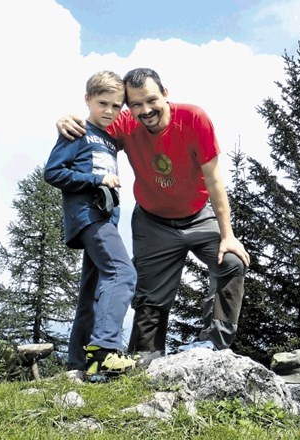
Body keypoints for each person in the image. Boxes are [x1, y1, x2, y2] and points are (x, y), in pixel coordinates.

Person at [56, 68, 250, 364]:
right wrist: (67, 120)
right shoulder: (125, 123)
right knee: (149, 297)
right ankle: (146, 358)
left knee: (232, 262)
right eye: (134, 104)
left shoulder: (195, 118)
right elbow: (93, 126)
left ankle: (213, 345)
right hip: (153, 221)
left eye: (151, 100)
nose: (145, 110)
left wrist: (228, 235)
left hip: (199, 215)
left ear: (165, 94)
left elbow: (214, 181)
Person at [44, 70, 137, 379]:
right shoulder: (77, 131)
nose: (110, 111)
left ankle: (79, 362)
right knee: (122, 272)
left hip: (105, 218)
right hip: (88, 218)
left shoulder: (111, 139)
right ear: (87, 100)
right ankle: (105, 351)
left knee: (93, 289)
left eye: (116, 105)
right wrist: (97, 178)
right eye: (102, 103)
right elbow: (53, 172)